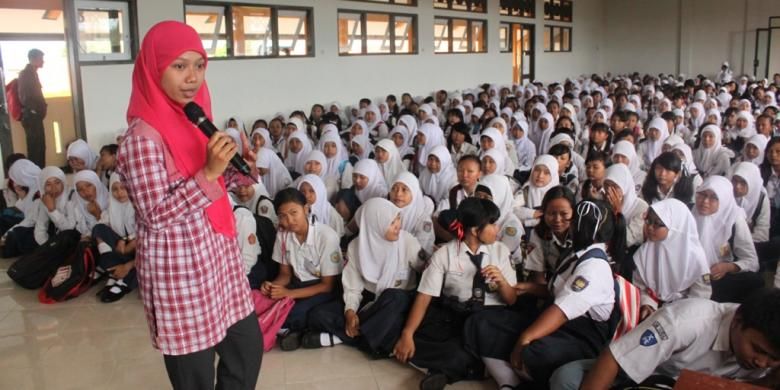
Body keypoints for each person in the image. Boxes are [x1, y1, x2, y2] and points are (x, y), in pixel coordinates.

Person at [117, 21, 262, 389]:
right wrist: (210, 174)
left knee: (246, 350)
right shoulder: (141, 138)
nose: (192, 77)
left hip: (218, 260)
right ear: (153, 68)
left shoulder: (195, 116)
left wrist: (235, 171)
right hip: (180, 273)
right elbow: (155, 215)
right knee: (195, 378)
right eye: (179, 66)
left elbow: (207, 183)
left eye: (199, 65)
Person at [393, 198, 517, 390]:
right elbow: (425, 295)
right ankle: (471, 366)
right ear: (475, 230)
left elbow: (511, 299)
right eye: (492, 224)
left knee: (479, 333)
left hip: (490, 319)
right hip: (457, 315)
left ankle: (443, 370)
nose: (497, 229)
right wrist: (407, 333)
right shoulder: (445, 254)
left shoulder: (500, 251)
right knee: (416, 332)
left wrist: (501, 282)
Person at [579, 289, 780, 390]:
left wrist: (768, 381)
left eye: (773, 359)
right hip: (648, 376)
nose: (761, 363)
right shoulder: (686, 322)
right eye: (757, 349)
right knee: (567, 378)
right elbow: (614, 359)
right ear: (737, 320)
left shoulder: (769, 362)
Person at [304, 198, 424, 354]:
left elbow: (424, 270)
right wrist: (350, 312)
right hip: (369, 302)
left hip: (395, 303)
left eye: (398, 219)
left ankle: (340, 338)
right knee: (318, 314)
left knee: (395, 298)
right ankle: (368, 338)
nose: (398, 227)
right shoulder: (357, 247)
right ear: (374, 225)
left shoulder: (407, 241)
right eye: (391, 223)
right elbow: (353, 288)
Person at [264, 188, 343, 351]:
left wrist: (288, 294)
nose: (289, 220)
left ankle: (294, 329)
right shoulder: (283, 235)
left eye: (294, 212)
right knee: (263, 302)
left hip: (323, 289)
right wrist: (274, 286)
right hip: (298, 284)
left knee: (291, 314)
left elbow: (327, 285)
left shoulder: (326, 236)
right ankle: (297, 331)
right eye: (282, 216)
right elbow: (285, 274)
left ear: (306, 209)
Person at [92, 173, 137, 303]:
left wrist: (126, 240)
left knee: (146, 249)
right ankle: (115, 269)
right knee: (98, 229)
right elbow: (100, 225)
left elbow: (144, 232)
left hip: (138, 250)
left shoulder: (138, 207)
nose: (119, 193)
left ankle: (123, 280)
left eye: (124, 188)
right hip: (121, 251)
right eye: (115, 189)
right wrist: (122, 241)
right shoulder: (111, 208)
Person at [17, 48, 47, 167]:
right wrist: (34, 110)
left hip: (35, 116)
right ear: (34, 59)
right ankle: (35, 175)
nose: (43, 61)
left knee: (40, 146)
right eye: (41, 59)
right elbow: (24, 96)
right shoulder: (25, 74)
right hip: (31, 116)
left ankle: (40, 172)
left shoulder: (33, 73)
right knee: (35, 148)